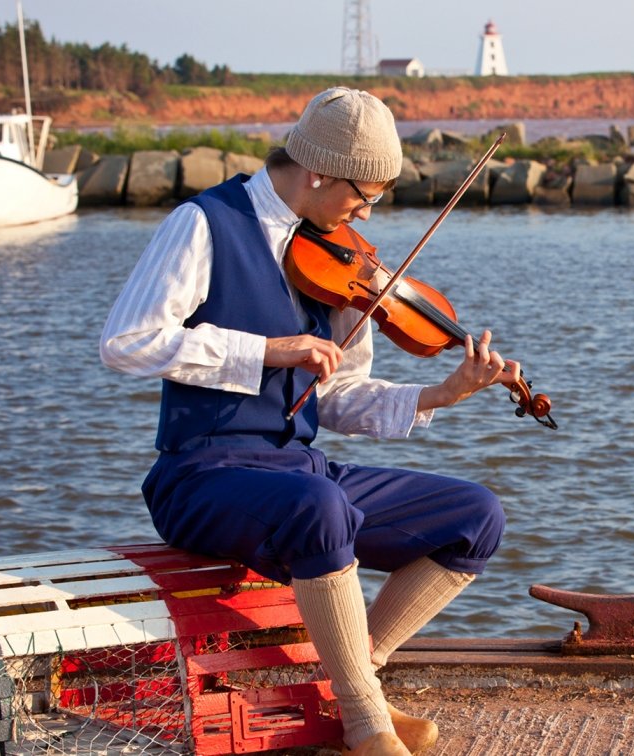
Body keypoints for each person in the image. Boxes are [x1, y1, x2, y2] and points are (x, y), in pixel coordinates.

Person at [100, 87, 513, 756]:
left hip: (298, 471)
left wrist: (439, 393)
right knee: (319, 506)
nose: (368, 210)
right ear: (319, 169)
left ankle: (356, 686)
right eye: (365, 193)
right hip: (200, 475)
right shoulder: (205, 223)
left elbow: (341, 394)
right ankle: (365, 724)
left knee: (475, 515)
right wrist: (267, 350)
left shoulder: (343, 262)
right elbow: (127, 341)